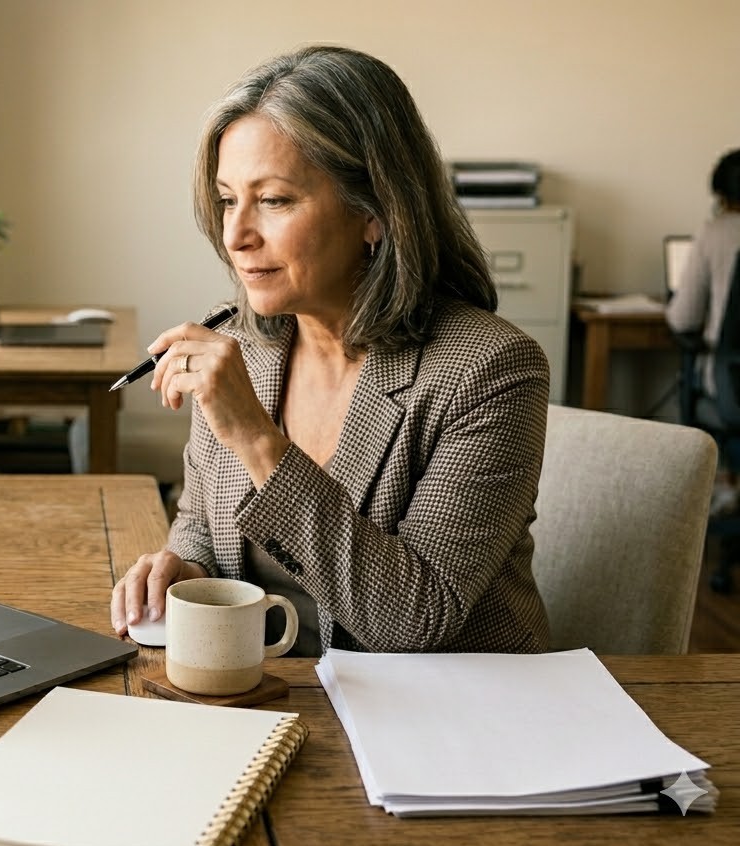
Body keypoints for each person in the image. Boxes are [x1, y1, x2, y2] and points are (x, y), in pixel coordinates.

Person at [108, 45, 551, 655]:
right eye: (228, 198)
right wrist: (184, 571)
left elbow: (413, 623)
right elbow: (202, 527)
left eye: (275, 200)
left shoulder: (489, 370)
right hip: (278, 691)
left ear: (374, 211)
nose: (236, 236)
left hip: (450, 715)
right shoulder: (243, 348)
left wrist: (258, 439)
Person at [665, 148, 740, 514]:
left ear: (722, 196)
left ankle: (724, 490)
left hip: (732, 391)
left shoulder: (717, 232)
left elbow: (683, 320)